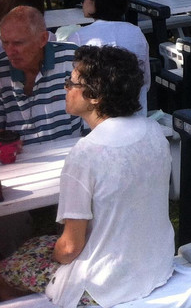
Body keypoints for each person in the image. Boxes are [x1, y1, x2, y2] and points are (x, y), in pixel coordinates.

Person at [0, 45, 173, 307]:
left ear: (95, 96)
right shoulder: (154, 131)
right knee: (37, 245)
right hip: (155, 265)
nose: (66, 87)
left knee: (5, 270)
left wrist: (54, 257)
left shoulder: (86, 154)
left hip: (106, 284)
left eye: (72, 82)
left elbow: (70, 248)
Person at [68, 0, 151, 113]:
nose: (83, 1)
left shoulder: (79, 37)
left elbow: (72, 88)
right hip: (136, 113)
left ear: (98, 0)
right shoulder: (136, 32)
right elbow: (146, 82)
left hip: (94, 121)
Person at [0, 6, 81, 144]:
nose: (10, 51)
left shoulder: (71, 59)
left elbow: (95, 115)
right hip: (19, 162)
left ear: (43, 39)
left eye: (18, 43)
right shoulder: (1, 69)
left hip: (69, 155)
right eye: (5, 43)